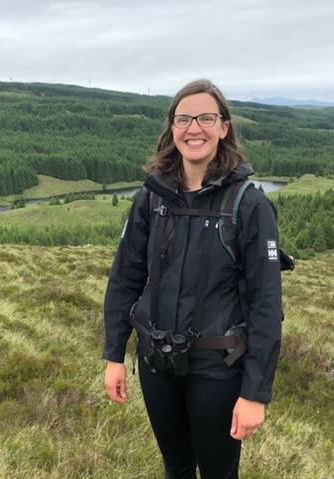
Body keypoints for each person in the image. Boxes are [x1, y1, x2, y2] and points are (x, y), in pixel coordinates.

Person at [103, 79, 283, 479]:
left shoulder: (249, 206)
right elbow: (125, 277)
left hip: (218, 370)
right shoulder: (151, 198)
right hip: (156, 363)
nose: (194, 128)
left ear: (224, 128)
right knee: (176, 468)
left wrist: (255, 393)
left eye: (206, 117)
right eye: (183, 119)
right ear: (172, 130)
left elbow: (267, 305)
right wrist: (114, 354)